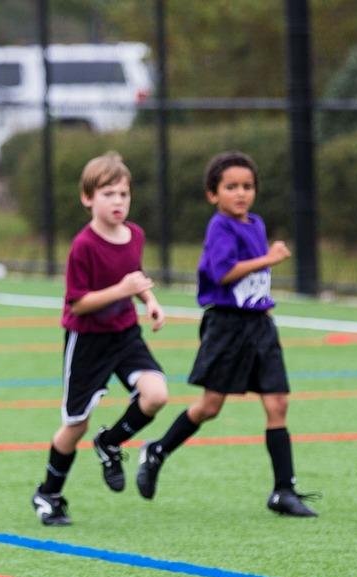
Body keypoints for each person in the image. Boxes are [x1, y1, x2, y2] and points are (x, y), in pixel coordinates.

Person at [135, 150, 318, 517]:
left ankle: (283, 490)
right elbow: (223, 272)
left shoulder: (256, 223)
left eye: (247, 186)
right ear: (212, 194)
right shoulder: (220, 227)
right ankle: (157, 450)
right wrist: (268, 258)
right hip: (226, 327)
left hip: (260, 326)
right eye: (231, 187)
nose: (241, 193)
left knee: (277, 403)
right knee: (210, 406)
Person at [30, 151, 168, 527]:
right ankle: (48, 493)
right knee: (76, 425)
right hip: (88, 339)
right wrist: (123, 289)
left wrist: (150, 301)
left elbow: (134, 276)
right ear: (88, 198)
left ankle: (111, 443)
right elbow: (80, 302)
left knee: (157, 394)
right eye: (108, 193)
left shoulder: (135, 235)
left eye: (123, 194)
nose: (118, 201)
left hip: (125, 334)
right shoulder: (84, 246)